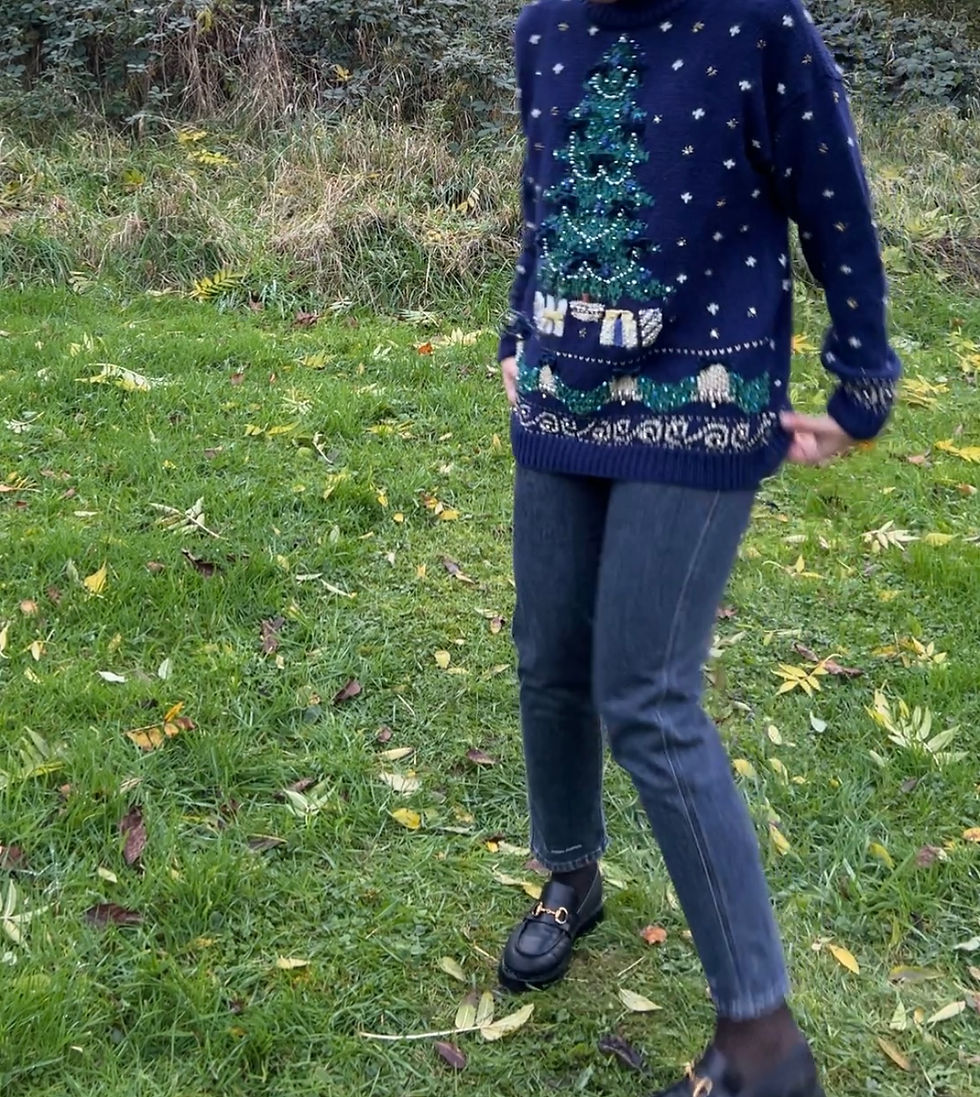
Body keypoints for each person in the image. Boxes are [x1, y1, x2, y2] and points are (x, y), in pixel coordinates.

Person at [495, 0, 901, 1094]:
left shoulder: (758, 23)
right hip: (561, 387)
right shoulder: (541, 28)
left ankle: (762, 1041)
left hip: (703, 394)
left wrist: (861, 381)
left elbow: (834, 199)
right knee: (548, 654)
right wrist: (516, 329)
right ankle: (570, 875)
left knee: (645, 693)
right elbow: (545, 195)